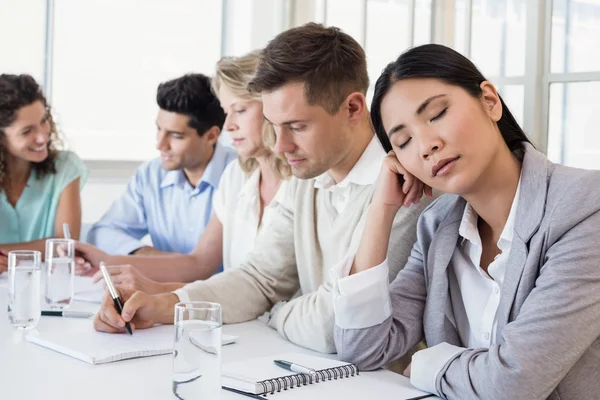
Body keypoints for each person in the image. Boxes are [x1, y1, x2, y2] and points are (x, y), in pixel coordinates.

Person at [90, 23, 431, 353]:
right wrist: (162, 306)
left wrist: (275, 312)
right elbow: (260, 279)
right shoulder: (308, 176)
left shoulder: (405, 187)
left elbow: (337, 324)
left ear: (353, 108)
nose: (281, 146)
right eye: (273, 125)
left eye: (297, 126)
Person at [332, 44, 600, 399]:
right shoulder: (437, 227)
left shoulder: (584, 207)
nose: (426, 145)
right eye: (404, 141)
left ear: (489, 101)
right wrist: (381, 209)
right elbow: (363, 349)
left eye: (437, 113)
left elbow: (514, 384)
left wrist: (430, 365)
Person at [76, 50, 292, 290]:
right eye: (227, 111)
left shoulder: (281, 180)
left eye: (239, 110)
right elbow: (199, 264)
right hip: (231, 313)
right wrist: (120, 259)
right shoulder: (236, 177)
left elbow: (216, 273)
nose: (229, 125)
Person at [86, 74, 236, 258]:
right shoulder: (150, 175)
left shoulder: (241, 174)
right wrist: (147, 254)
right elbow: (102, 233)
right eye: (159, 129)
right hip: (160, 286)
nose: (160, 145)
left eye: (176, 135)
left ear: (211, 136)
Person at [0, 74, 88, 272]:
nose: (42, 137)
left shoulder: (65, 166)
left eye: (44, 121)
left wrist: (4, 254)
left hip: (47, 290)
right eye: (27, 131)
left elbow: (65, 244)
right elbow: (54, 248)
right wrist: (46, 248)